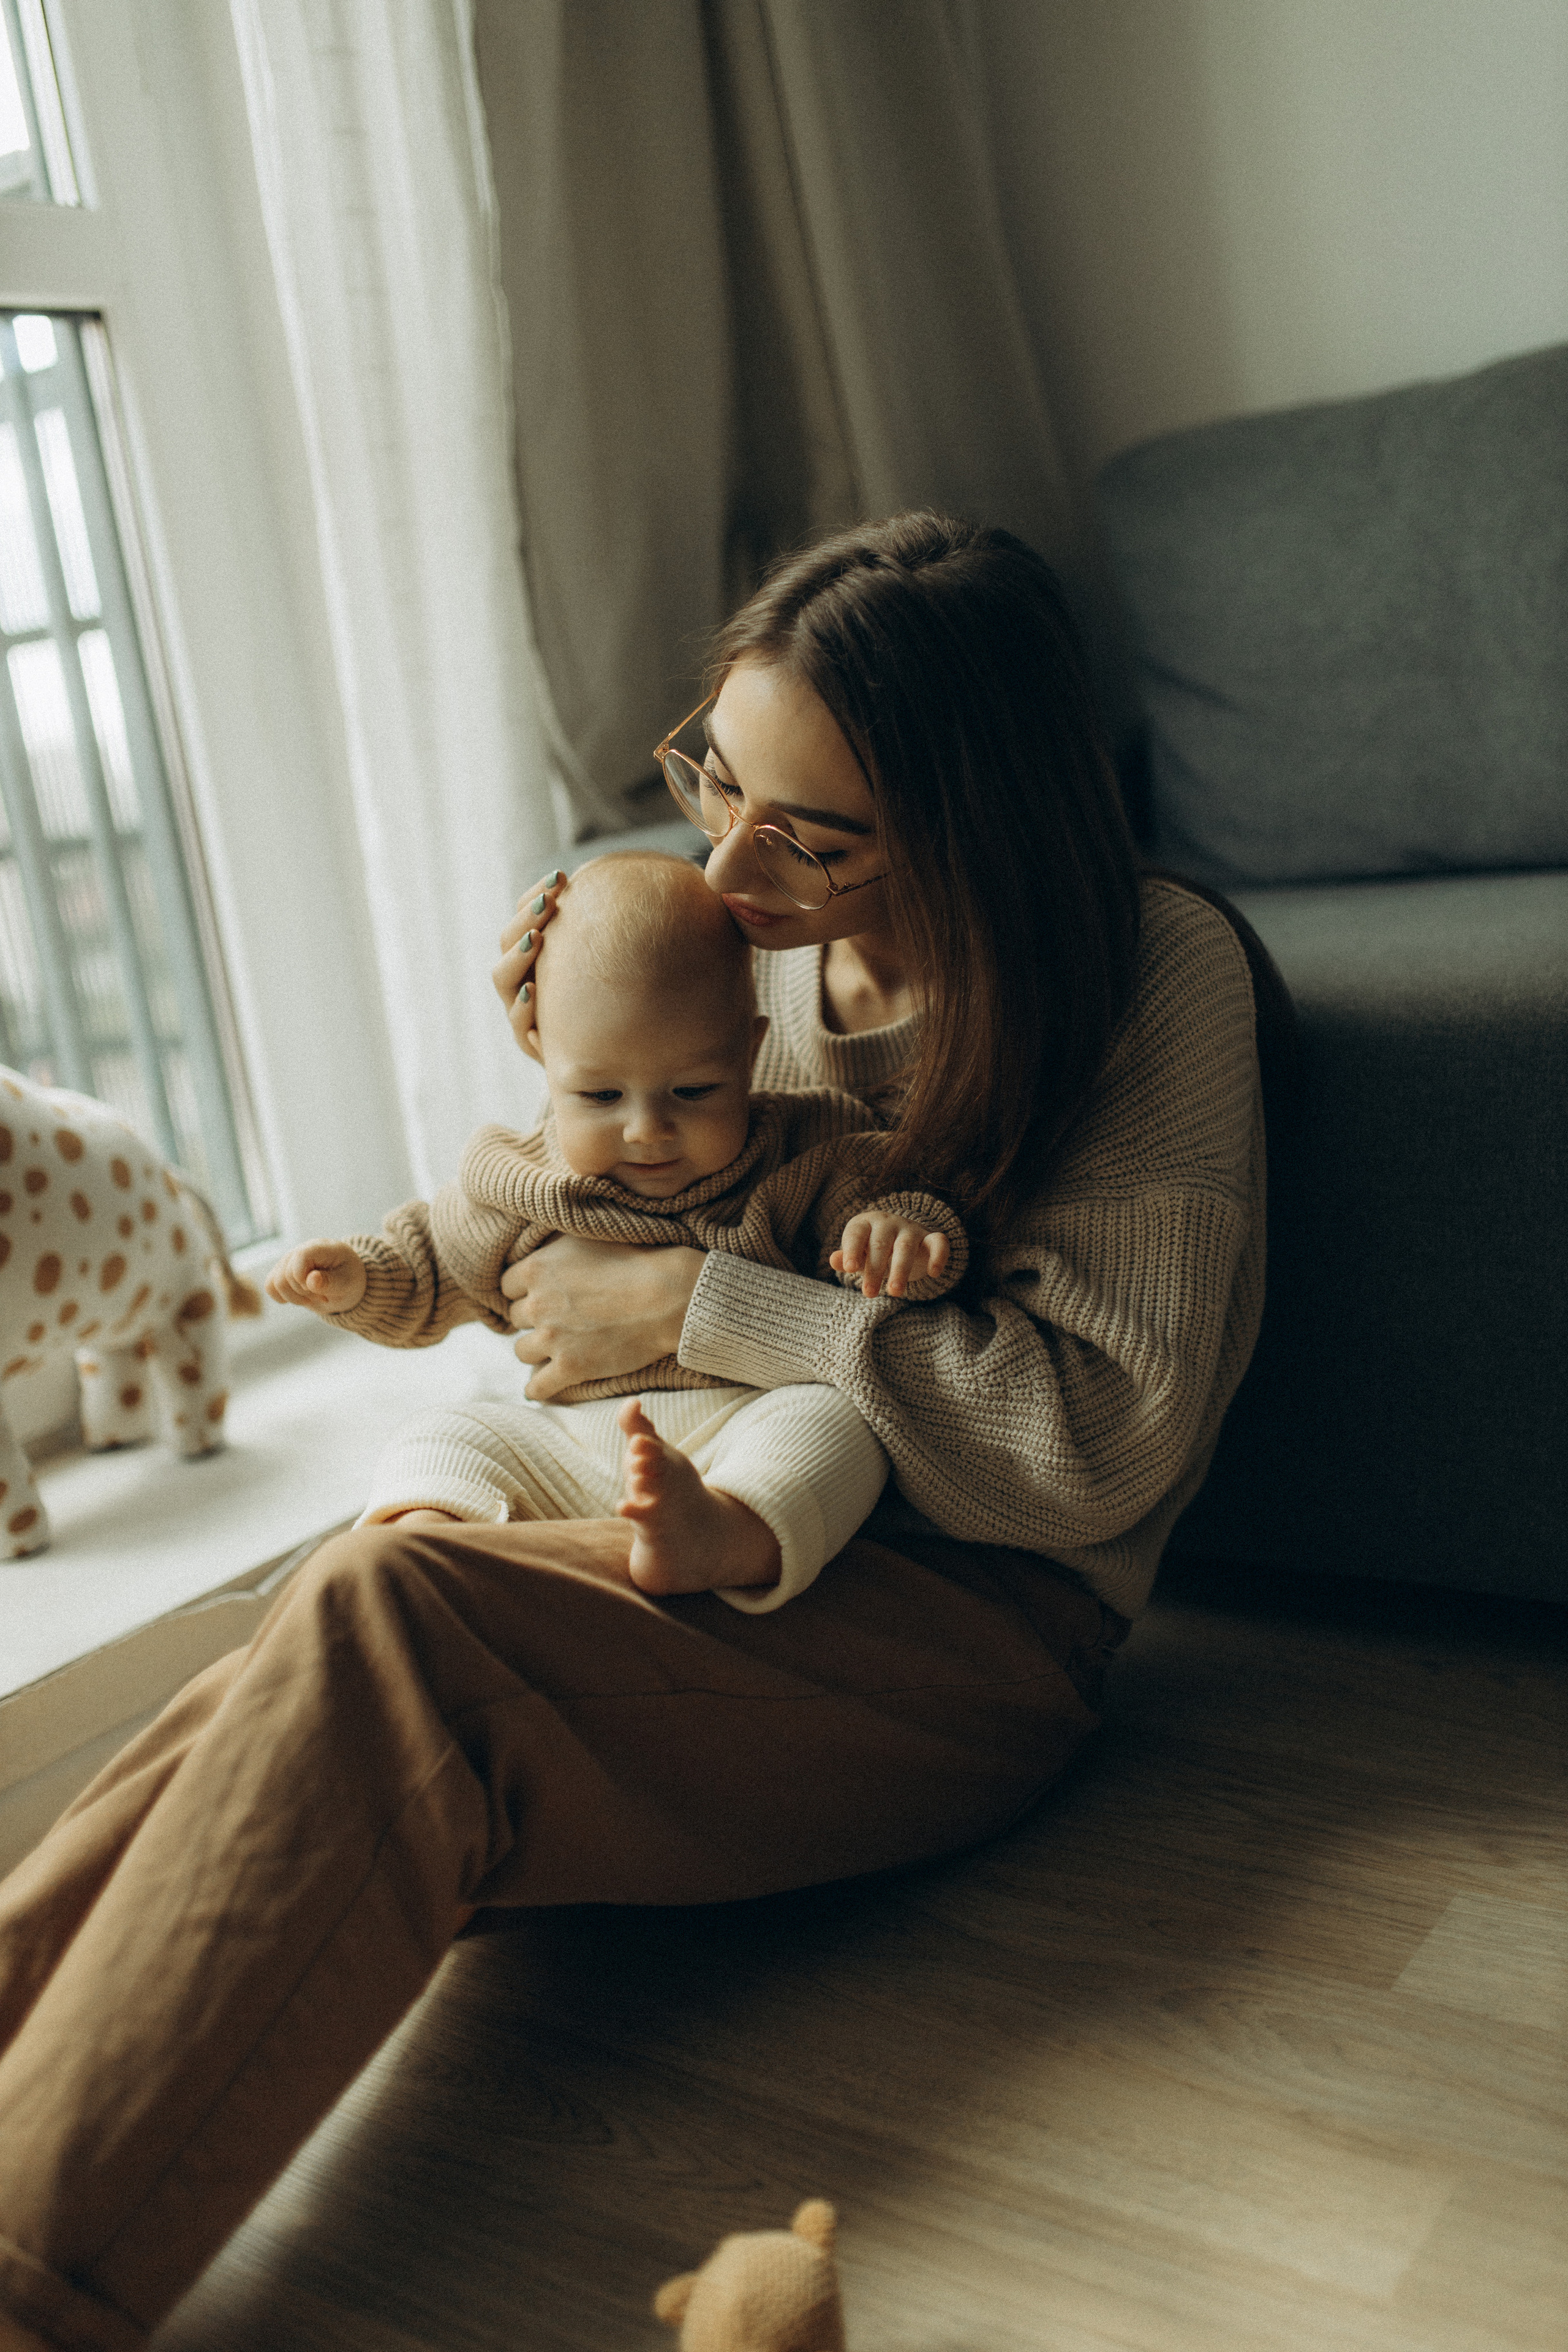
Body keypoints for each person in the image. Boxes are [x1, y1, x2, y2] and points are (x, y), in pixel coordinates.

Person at [0, 512, 1265, 2352]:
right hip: (664, 1516)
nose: (730, 861)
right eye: (715, 778)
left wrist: (696, 1308)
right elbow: (563, 1206)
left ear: (969, 822)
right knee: (375, 1582)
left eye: (807, 829)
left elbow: (1093, 1445)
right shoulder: (742, 949)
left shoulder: (1146, 973)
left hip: (963, 1624)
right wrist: (580, 1042)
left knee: (404, 1621)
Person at [266, 848, 962, 1611]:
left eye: (693, 1091)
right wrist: (358, 1275)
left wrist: (905, 1236)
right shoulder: (519, 1178)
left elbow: (887, 1224)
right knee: (443, 1432)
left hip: (746, 1425)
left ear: (751, 1052)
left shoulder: (806, 1154)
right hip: (567, 1443)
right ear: (541, 1055)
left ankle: (724, 1533)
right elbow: (430, 1265)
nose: (647, 1130)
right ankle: (437, 1538)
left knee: (838, 1428)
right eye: (599, 1094)